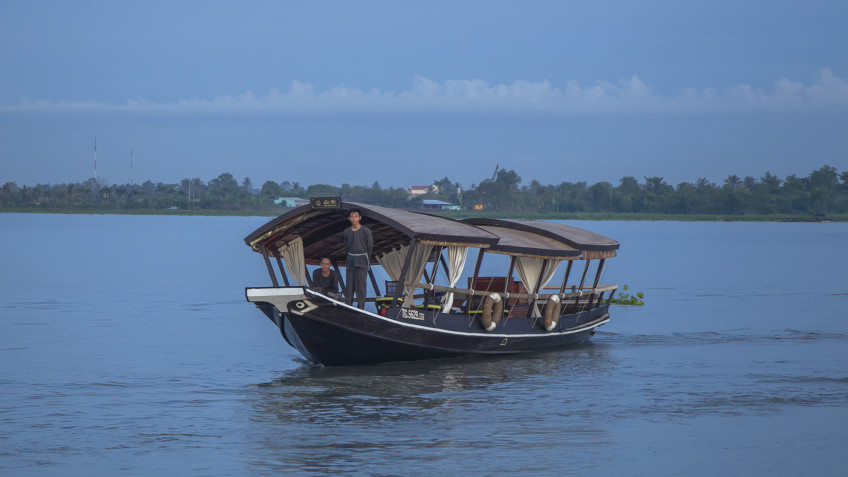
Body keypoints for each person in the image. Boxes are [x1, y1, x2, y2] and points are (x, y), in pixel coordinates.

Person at [343, 208, 372, 309]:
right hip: (350, 260)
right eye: (352, 216)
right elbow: (346, 246)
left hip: (362, 260)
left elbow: (369, 247)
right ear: (349, 218)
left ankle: (361, 308)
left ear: (360, 218)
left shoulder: (366, 231)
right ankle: (348, 307)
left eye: (356, 216)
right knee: (349, 286)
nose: (354, 218)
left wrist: (368, 262)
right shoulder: (346, 232)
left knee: (361, 286)